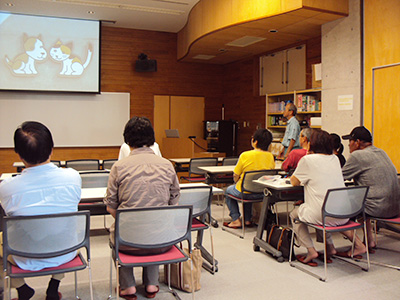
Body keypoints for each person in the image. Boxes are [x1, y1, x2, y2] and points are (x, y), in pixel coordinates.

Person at [0, 121, 81, 300]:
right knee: (65, 230)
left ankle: (21, 288)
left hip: (24, 255)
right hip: (66, 251)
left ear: (19, 154)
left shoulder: (7, 188)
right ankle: (54, 287)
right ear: (52, 149)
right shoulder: (73, 177)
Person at [104, 116, 180, 300]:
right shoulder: (167, 165)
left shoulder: (118, 167)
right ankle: (152, 284)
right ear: (152, 139)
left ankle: (128, 287)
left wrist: (131, 221)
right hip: (162, 241)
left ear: (127, 140)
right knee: (154, 223)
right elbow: (174, 201)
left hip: (128, 243)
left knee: (124, 231)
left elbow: (110, 206)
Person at [290, 129, 366, 266]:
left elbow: (294, 182)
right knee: (324, 209)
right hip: (344, 213)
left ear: (312, 143)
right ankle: (331, 247)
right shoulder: (335, 159)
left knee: (295, 215)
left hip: (323, 215)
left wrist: (307, 156)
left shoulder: (307, 160)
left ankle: (311, 250)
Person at [342, 126, 400, 251]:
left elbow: (340, 176)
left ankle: (357, 246)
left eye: (349, 142)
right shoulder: (381, 152)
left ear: (357, 142)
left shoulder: (358, 155)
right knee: (364, 197)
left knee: (341, 204)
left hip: (377, 209)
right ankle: (369, 240)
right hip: (395, 208)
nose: (348, 145)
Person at [223, 128, 275, 229]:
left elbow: (235, 175)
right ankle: (247, 220)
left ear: (255, 141)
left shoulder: (245, 155)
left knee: (228, 191)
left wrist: (236, 182)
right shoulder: (270, 156)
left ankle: (235, 219)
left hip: (245, 191)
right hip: (262, 193)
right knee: (248, 188)